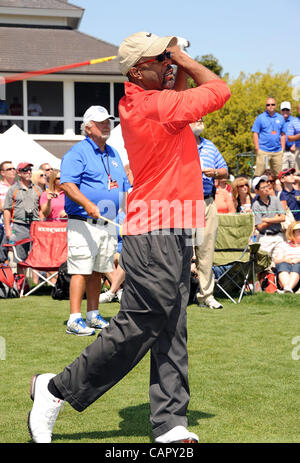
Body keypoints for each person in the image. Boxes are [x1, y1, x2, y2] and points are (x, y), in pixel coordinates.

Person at [27, 31, 230, 444]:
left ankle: (170, 422)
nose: (170, 61)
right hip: (155, 224)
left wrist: (172, 63)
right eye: (161, 57)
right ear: (139, 69)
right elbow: (219, 89)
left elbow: (179, 87)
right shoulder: (151, 105)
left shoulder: (155, 99)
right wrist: (183, 58)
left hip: (174, 222)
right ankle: (54, 389)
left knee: (172, 325)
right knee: (141, 322)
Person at [59, 105, 130, 337]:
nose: (107, 125)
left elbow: (123, 187)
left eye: (108, 121)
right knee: (80, 269)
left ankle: (92, 314)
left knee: (98, 271)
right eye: (101, 123)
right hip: (83, 221)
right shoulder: (77, 153)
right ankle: (74, 319)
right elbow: (68, 185)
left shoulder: (114, 153)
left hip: (108, 223)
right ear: (88, 127)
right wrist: (88, 204)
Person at [190, 118, 228, 309]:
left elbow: (225, 170)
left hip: (207, 202)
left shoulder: (210, 146)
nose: (199, 121)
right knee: (182, 253)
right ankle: (179, 296)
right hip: (184, 203)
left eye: (202, 118)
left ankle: (206, 295)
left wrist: (215, 172)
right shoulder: (178, 144)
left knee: (206, 253)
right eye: (195, 118)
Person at [3, 162, 41, 274]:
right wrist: (8, 229)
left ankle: (36, 283)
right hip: (19, 225)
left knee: (37, 255)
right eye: (25, 170)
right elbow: (7, 210)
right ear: (19, 173)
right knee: (20, 257)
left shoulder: (37, 189)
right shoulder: (13, 189)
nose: (28, 172)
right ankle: (22, 285)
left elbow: (42, 210)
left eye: (30, 170)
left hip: (35, 225)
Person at [252, 175, 285, 262]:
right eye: (263, 187)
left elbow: (283, 217)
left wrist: (266, 219)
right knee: (264, 265)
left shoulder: (275, 199)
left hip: (278, 236)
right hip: (265, 238)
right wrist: (275, 218)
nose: (267, 188)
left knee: (279, 261)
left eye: (267, 186)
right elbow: (259, 227)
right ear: (257, 191)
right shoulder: (256, 205)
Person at [252, 97, 285, 176]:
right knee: (258, 175)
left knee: (279, 176)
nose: (271, 106)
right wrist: (257, 148)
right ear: (266, 106)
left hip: (277, 151)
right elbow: (255, 133)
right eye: (268, 105)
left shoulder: (280, 118)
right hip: (264, 151)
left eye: (273, 104)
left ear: (276, 105)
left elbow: (283, 134)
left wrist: (282, 149)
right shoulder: (260, 118)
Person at [273, 221, 300, 293]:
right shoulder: (284, 245)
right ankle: (287, 289)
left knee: (297, 266)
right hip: (286, 264)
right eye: (299, 232)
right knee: (282, 265)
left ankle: (287, 288)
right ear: (292, 233)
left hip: (298, 265)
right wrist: (285, 260)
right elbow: (276, 260)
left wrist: (298, 260)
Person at [0, 161, 16, 262]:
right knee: (2, 253)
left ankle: (18, 277)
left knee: (19, 253)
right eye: (9, 169)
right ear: (2, 173)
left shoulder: (19, 186)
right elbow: (1, 207)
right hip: (3, 225)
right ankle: (5, 276)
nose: (13, 171)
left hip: (18, 224)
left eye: (13, 168)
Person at [280, 101, 296, 170]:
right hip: (282, 152)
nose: (285, 111)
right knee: (283, 174)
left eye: (287, 110)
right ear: (281, 111)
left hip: (294, 151)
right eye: (283, 110)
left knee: (296, 173)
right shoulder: (277, 121)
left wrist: (295, 145)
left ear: (290, 111)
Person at [286, 103, 300, 174]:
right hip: (298, 149)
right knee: (297, 173)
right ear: (298, 110)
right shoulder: (293, 122)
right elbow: (289, 138)